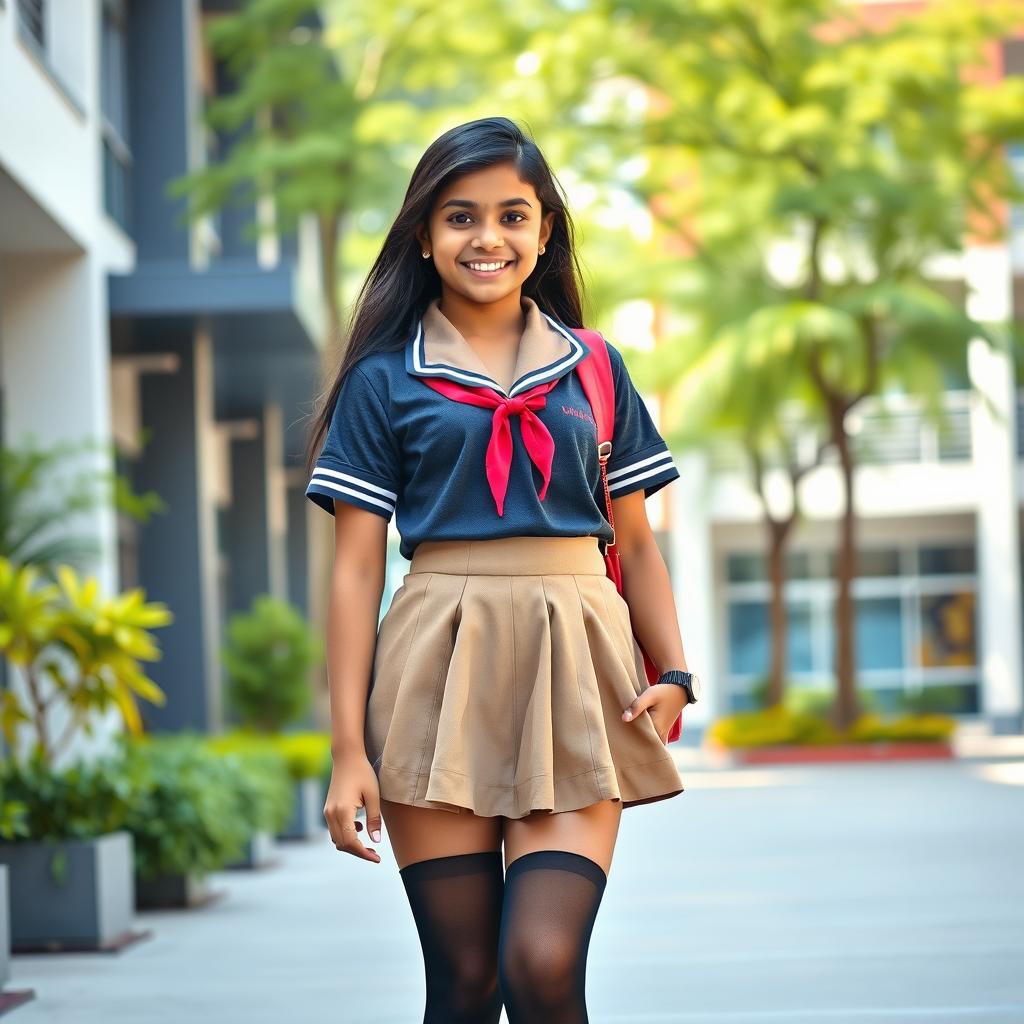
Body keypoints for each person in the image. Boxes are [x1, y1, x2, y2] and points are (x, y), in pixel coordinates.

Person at [304, 115, 694, 1024]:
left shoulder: (596, 368)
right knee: (466, 983)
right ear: (425, 236)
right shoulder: (382, 380)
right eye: (460, 217)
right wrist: (347, 753)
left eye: (513, 216)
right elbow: (357, 574)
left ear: (545, 230)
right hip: (436, 670)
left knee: (542, 965)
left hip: (576, 664)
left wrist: (672, 671)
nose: (488, 238)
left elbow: (635, 541)